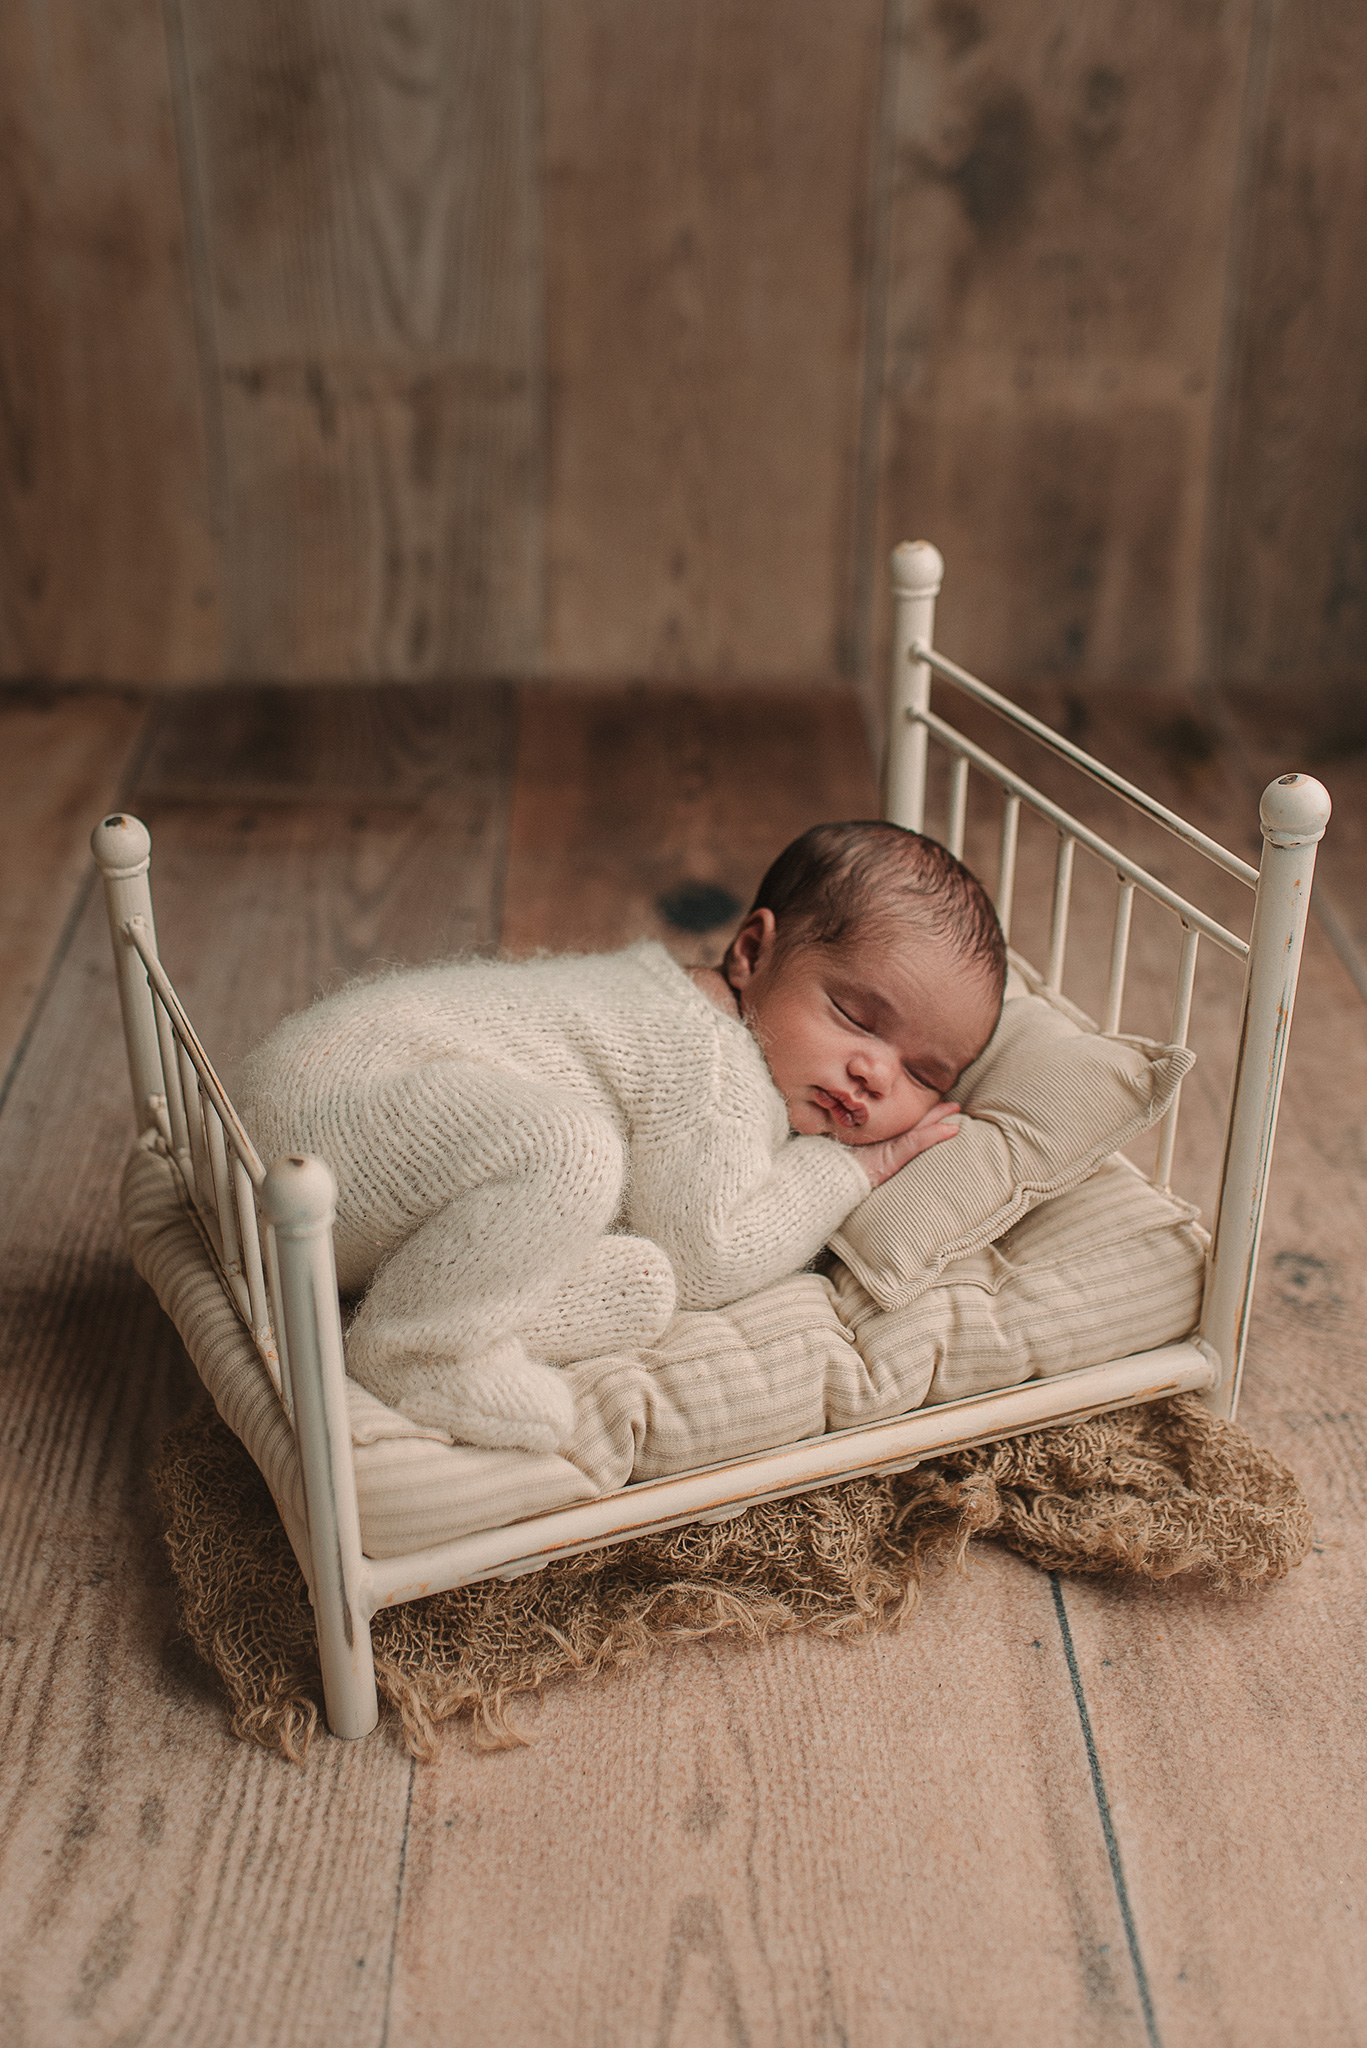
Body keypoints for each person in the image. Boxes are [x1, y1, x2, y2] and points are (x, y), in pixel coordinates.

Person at [236, 821, 1005, 1453]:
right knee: (569, 1154)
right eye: (858, 1018)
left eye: (924, 1074)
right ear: (751, 952)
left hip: (314, 1175)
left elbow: (675, 1264)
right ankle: (414, 1352)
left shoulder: (696, 1011)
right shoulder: (712, 1060)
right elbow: (713, 1257)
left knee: (644, 1282)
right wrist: (855, 1169)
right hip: (324, 1123)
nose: (876, 1073)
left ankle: (418, 1305)